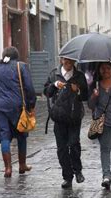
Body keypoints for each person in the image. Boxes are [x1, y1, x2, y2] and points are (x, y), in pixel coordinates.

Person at [0, 46, 36, 178]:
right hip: (18, 107)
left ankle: (8, 168)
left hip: (0, 107)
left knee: (4, 135)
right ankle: (22, 165)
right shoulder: (21, 66)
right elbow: (29, 88)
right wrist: (31, 104)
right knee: (21, 133)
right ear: (17, 56)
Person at [44, 57, 88, 189]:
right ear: (61, 60)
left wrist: (78, 90)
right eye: (65, 61)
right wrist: (54, 85)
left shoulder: (79, 76)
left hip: (74, 116)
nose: (68, 64)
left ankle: (78, 170)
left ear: (74, 62)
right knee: (62, 148)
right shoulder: (54, 74)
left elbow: (85, 95)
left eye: (70, 61)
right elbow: (46, 92)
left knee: (74, 144)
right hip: (59, 116)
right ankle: (67, 177)